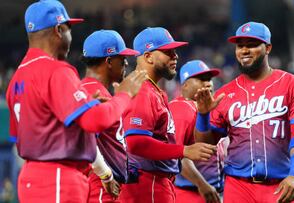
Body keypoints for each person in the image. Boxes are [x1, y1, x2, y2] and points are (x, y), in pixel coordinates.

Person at [5, 1, 146, 202]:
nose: (71, 38)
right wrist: (124, 95)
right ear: (59, 30)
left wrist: (104, 173)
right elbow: (94, 121)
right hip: (58, 177)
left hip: (31, 177)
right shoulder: (56, 70)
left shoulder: (17, 77)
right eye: (69, 30)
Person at [194, 21, 294, 203]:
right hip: (238, 186)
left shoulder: (293, 85)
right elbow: (205, 146)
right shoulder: (224, 93)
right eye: (240, 46)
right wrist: (203, 116)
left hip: (282, 184)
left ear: (267, 48)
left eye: (252, 45)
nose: (244, 50)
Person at [119, 27, 217, 203]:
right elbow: (136, 142)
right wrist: (184, 150)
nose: (175, 56)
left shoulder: (154, 91)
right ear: (148, 56)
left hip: (157, 183)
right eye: (167, 51)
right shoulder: (142, 91)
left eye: (174, 51)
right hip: (147, 185)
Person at [80, 30, 142, 202]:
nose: (126, 64)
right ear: (108, 61)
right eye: (122, 60)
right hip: (98, 186)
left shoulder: (86, 88)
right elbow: (85, 141)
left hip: (104, 183)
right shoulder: (94, 92)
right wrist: (105, 175)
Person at [168, 60, 224, 203]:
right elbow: (176, 154)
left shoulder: (206, 107)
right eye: (201, 79)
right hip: (191, 192)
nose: (208, 83)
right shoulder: (180, 108)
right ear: (185, 85)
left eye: (209, 79)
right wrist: (202, 184)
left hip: (212, 191)